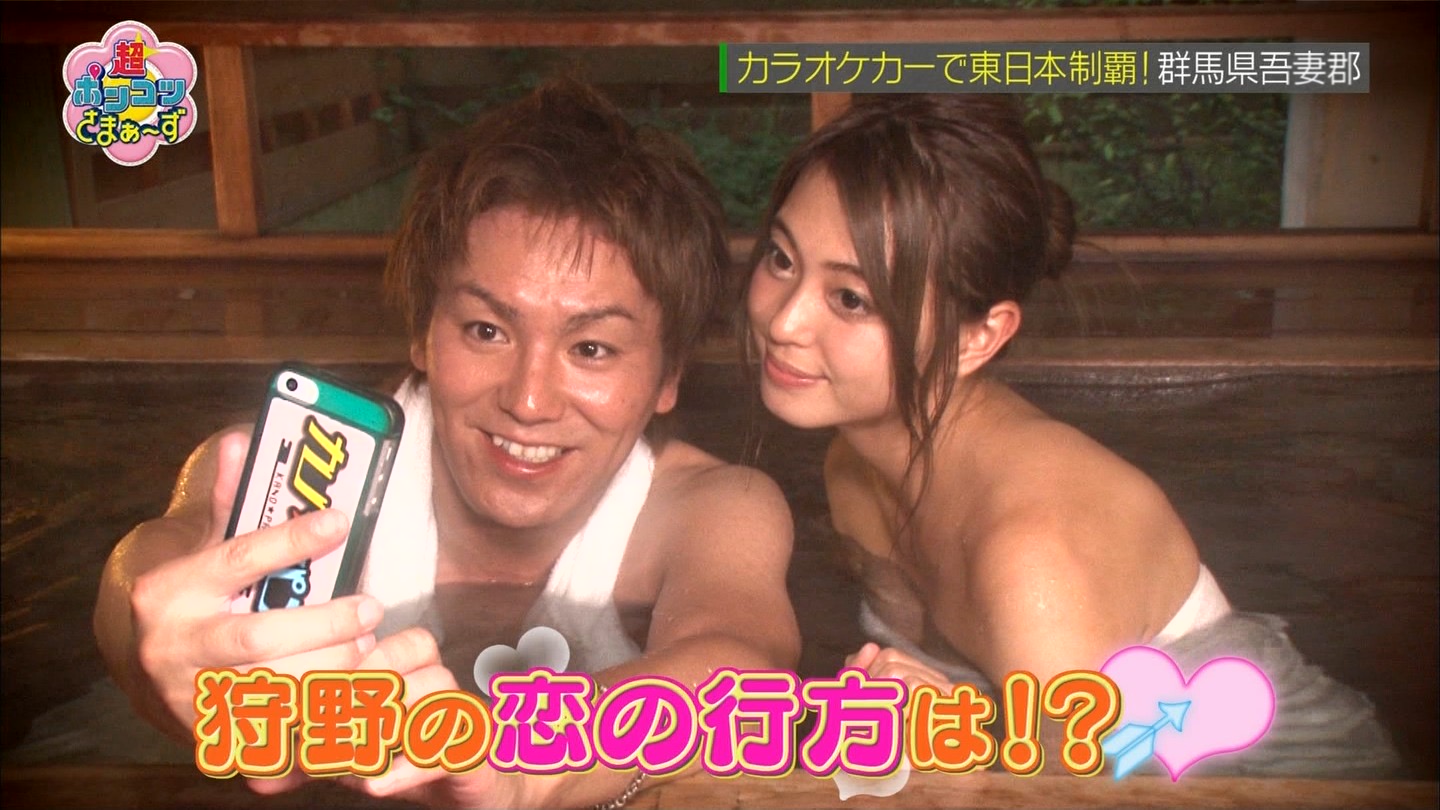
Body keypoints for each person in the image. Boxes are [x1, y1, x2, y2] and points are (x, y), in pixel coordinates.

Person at [94, 79, 800, 807]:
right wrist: (159, 645)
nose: (528, 402)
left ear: (668, 377)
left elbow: (741, 660)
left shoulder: (707, 507)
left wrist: (525, 768)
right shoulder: (301, 471)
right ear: (423, 332)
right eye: (486, 331)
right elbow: (147, 566)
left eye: (592, 349)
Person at [743, 93, 1398, 778]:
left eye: (850, 299)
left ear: (979, 337)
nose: (784, 321)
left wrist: (954, 755)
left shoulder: (1032, 561)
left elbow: (1079, 798)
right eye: (782, 259)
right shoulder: (853, 462)